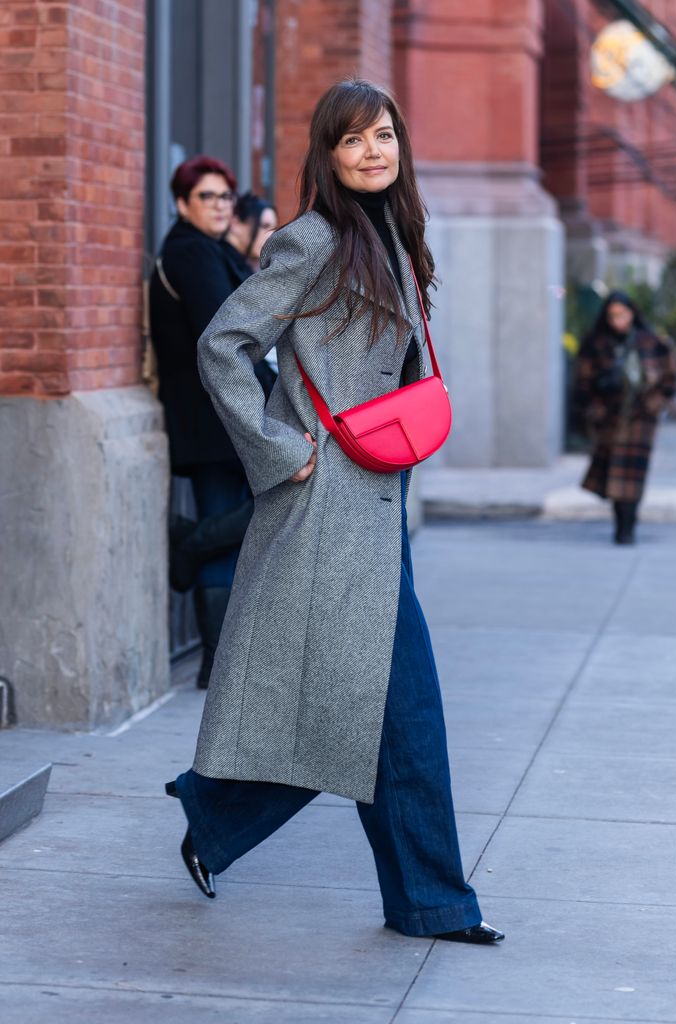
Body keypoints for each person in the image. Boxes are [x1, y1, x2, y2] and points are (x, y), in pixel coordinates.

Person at [165, 80, 503, 945]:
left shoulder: (393, 233)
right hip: (324, 502)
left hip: (376, 498)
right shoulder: (311, 240)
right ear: (327, 154)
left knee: (382, 709)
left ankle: (417, 896)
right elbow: (223, 345)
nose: (371, 153)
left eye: (383, 136)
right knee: (393, 707)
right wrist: (283, 451)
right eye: (351, 141)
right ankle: (227, 818)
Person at [149, 156, 276, 688]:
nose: (222, 206)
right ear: (181, 204)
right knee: (237, 522)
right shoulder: (191, 254)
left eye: (226, 197)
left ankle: (190, 539)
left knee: (242, 523)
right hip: (212, 420)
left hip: (225, 418)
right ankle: (216, 665)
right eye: (208, 197)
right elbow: (227, 340)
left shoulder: (212, 250)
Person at [574, 290, 676, 544]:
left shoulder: (651, 343)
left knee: (632, 475)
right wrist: (594, 409)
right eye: (613, 315)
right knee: (613, 474)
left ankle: (627, 528)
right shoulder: (596, 344)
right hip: (610, 416)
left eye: (622, 314)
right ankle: (621, 525)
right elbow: (583, 382)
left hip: (641, 418)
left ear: (632, 313)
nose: (618, 320)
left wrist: (655, 404)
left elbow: (669, 379)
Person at [226, 191, 278, 271]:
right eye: (265, 226)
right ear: (235, 224)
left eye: (273, 230)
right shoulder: (215, 262)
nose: (271, 235)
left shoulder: (241, 267)